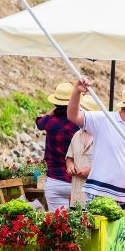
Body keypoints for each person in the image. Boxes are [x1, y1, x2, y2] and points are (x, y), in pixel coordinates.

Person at [67, 79, 125, 210]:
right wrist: (76, 91)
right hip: (101, 193)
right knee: (99, 230)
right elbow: (73, 116)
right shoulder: (104, 120)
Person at [36, 82, 80, 210]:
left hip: (54, 180)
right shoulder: (78, 124)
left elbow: (39, 122)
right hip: (75, 180)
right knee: (80, 226)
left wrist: (56, 109)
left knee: (58, 226)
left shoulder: (49, 122)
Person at [65, 94, 100, 208]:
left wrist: (92, 171)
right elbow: (69, 157)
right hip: (76, 197)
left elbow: (112, 165)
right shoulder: (77, 134)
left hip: (95, 199)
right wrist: (70, 165)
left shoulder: (103, 136)